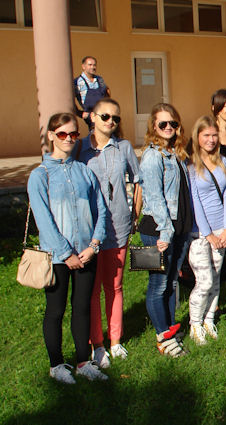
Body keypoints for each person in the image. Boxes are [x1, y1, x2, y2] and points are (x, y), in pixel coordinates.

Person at [30, 112, 109, 383]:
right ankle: (56, 365)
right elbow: (44, 220)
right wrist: (66, 254)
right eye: (63, 134)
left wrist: (94, 245)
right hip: (57, 257)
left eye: (74, 134)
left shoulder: (84, 171)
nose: (69, 139)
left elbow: (101, 210)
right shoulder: (40, 176)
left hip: (86, 253)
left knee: (82, 307)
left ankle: (83, 362)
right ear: (51, 135)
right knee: (55, 310)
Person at [76, 98, 141, 366]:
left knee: (114, 286)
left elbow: (138, 180)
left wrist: (134, 214)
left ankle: (115, 340)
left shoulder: (123, 147)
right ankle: (97, 343)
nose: (111, 122)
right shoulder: (79, 148)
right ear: (92, 117)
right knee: (92, 290)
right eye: (105, 116)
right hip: (89, 231)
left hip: (118, 227)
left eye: (115, 118)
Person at [138, 103, 192, 357]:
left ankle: (170, 329)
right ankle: (163, 337)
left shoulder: (176, 153)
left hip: (178, 228)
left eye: (173, 123)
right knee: (158, 285)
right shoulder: (152, 157)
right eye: (163, 124)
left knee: (171, 282)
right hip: (158, 229)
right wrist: (166, 234)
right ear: (154, 126)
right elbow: (155, 198)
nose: (168, 127)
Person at [185, 116, 226, 345]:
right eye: (206, 135)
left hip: (221, 229)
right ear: (197, 137)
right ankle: (195, 324)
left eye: (214, 135)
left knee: (215, 280)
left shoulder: (222, 160)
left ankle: (209, 319)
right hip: (200, 234)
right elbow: (194, 201)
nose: (211, 140)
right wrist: (209, 234)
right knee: (203, 281)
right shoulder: (191, 165)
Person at [73, 56, 110, 129]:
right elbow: (70, 99)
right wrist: (80, 113)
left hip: (103, 114)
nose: (93, 67)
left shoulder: (99, 79)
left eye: (94, 65)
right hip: (91, 117)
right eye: (90, 65)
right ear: (83, 66)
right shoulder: (77, 82)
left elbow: (106, 92)